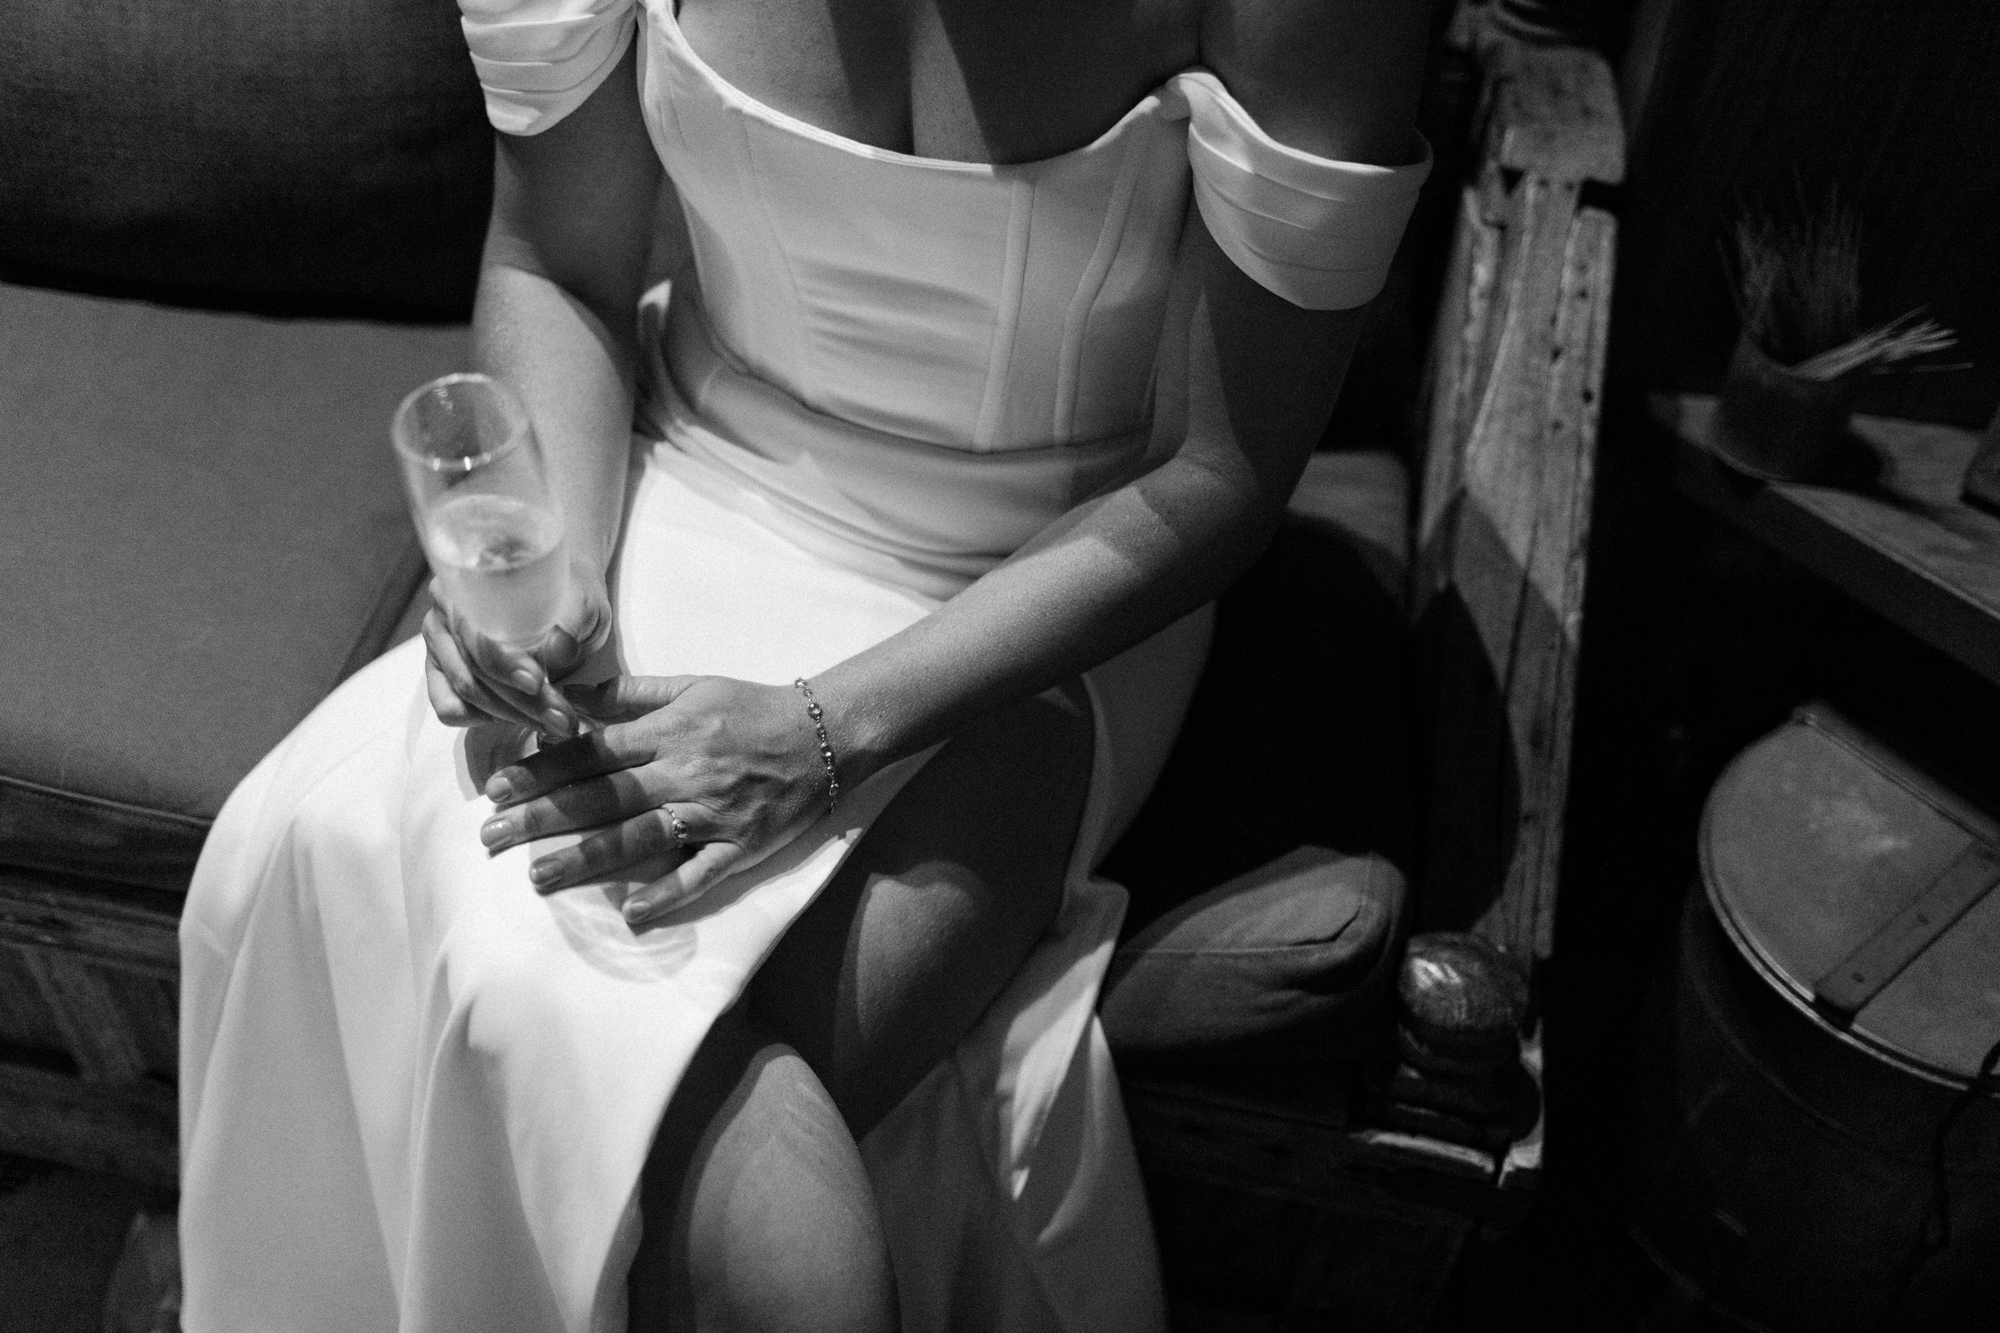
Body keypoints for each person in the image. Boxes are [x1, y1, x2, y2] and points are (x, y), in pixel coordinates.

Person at [176, 0, 1431, 1328]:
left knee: (673, 1121)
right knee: (384, 886)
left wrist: (820, 732)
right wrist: (554, 570)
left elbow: (1220, 475)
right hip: (684, 473)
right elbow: (560, 261)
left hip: (1051, 596)